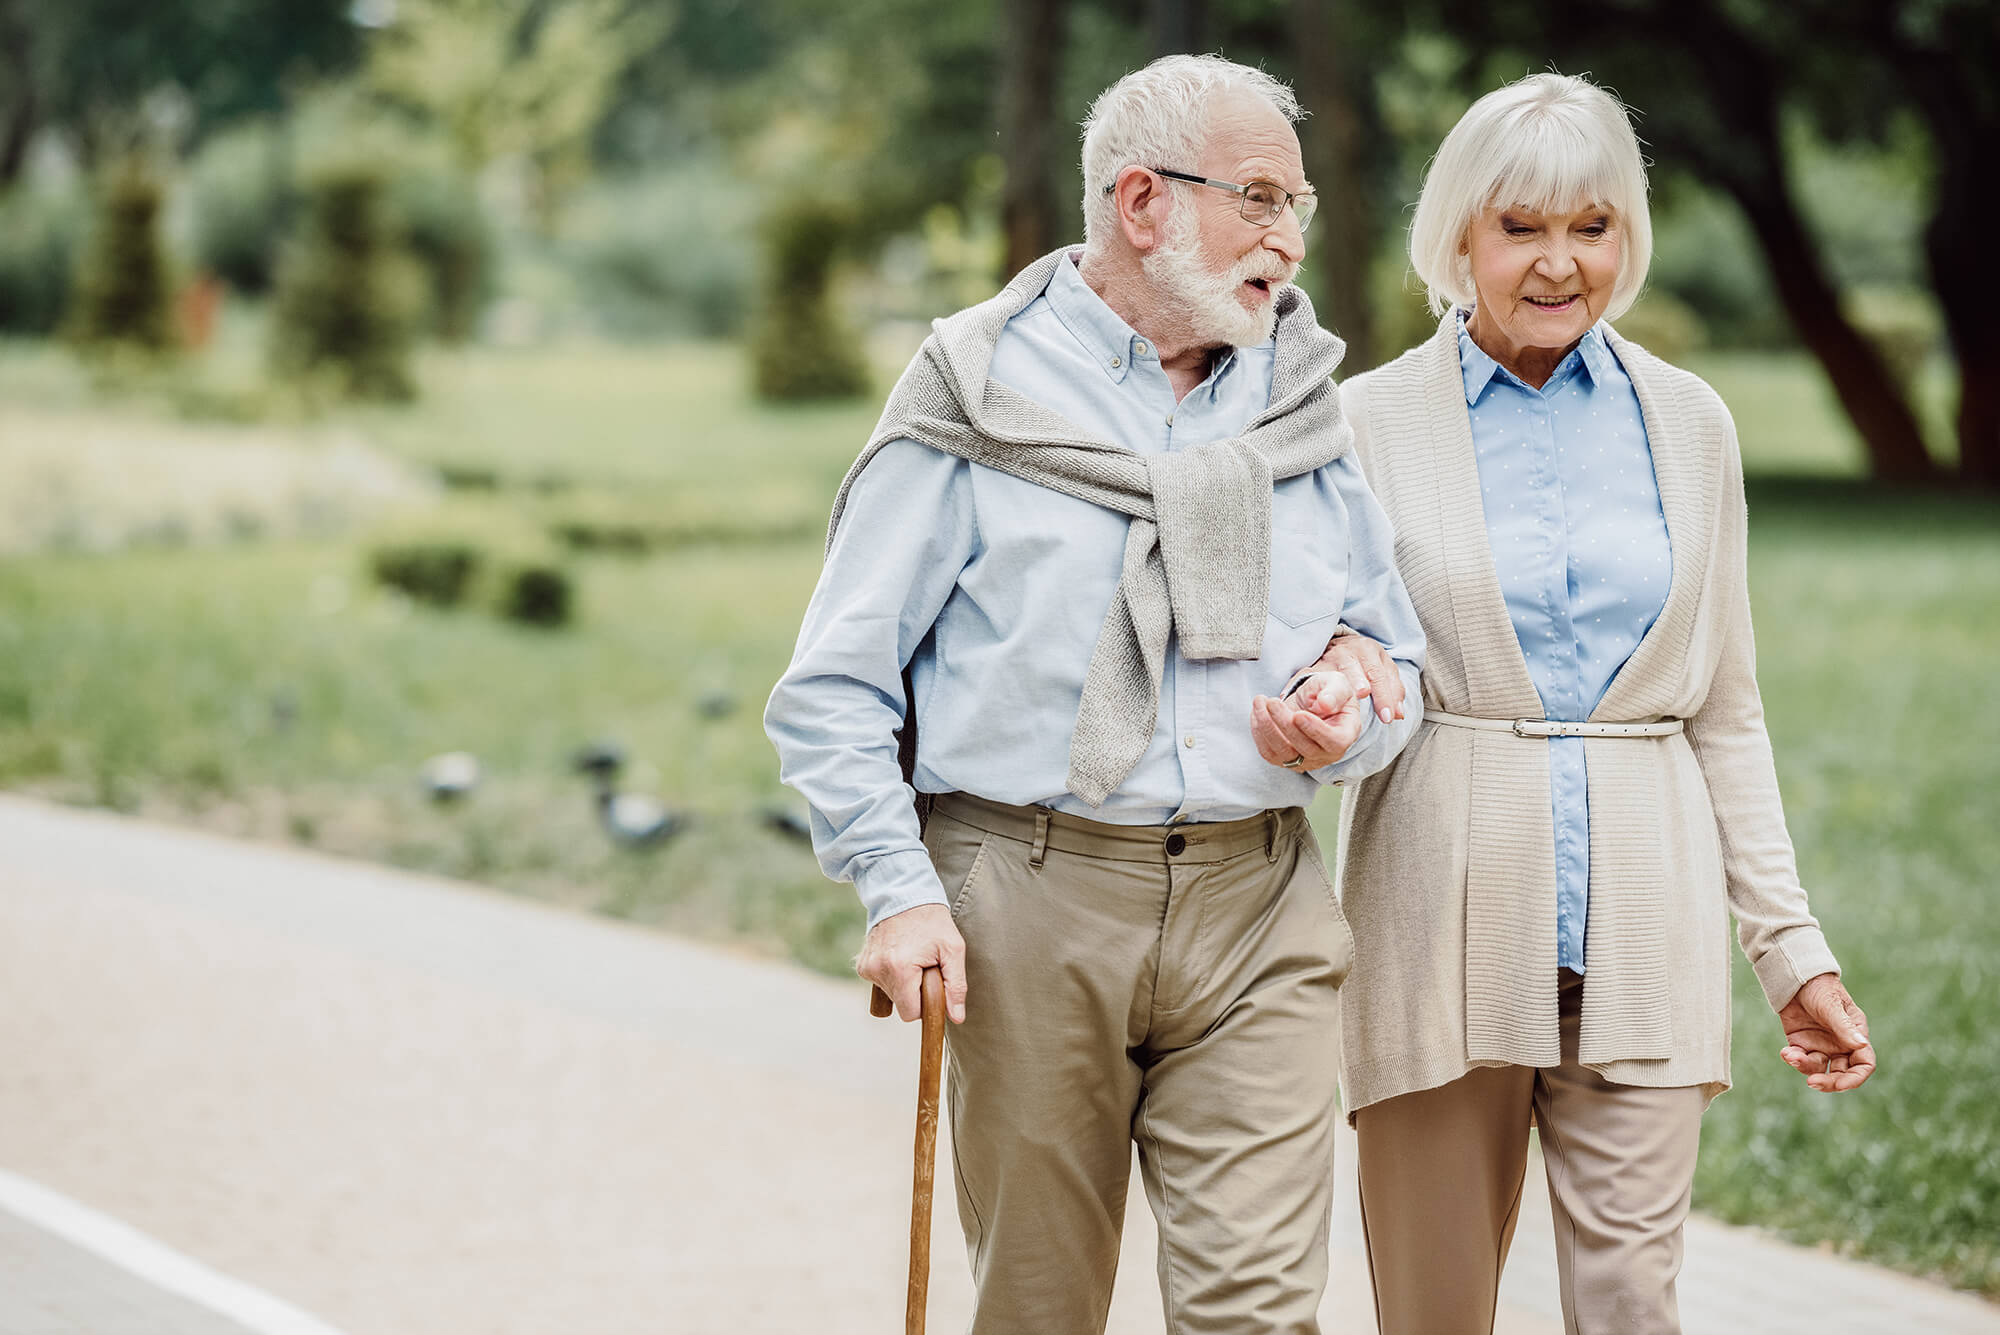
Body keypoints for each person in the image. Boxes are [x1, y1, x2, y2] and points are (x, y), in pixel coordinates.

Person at [766, 54, 1425, 1334]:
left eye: (1297, 208)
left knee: (1257, 1315)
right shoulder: (974, 394)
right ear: (1140, 204)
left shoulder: (1298, 406)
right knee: (1039, 1307)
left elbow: (1384, 647)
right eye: (1258, 200)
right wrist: (899, 895)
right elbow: (834, 686)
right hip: (1026, 902)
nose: (1289, 240)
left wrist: (1349, 704)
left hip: (1258, 905)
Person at [1253, 71, 1877, 1333]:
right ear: (1458, 239)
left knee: (1630, 1305)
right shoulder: (1362, 424)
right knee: (1434, 1310)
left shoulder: (1690, 424)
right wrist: (1319, 711)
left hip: (1646, 911)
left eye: (1588, 228)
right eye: (1518, 228)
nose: (1555, 264)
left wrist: (1787, 947)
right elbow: (1324, 662)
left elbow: (1725, 708)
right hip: (1436, 916)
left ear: (1625, 239)